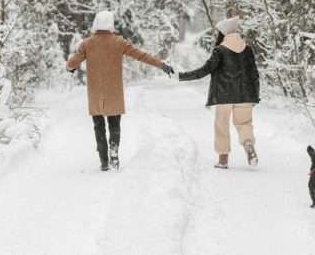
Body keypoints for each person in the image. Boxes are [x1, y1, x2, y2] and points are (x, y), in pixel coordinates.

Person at [66, 10, 174, 171]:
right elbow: (141, 55)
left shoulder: (87, 43)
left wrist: (71, 67)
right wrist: (161, 65)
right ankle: (114, 153)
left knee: (98, 125)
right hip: (113, 91)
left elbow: (72, 63)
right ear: (110, 24)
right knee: (114, 124)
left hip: (95, 92)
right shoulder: (119, 42)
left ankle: (103, 160)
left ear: (96, 23)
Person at [178, 17, 260, 169]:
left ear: (223, 34)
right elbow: (254, 74)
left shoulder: (220, 50)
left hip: (223, 95)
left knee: (221, 125)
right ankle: (248, 144)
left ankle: (223, 159)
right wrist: (255, 95)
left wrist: (182, 76)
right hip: (246, 95)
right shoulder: (248, 49)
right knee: (244, 124)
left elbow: (205, 70)